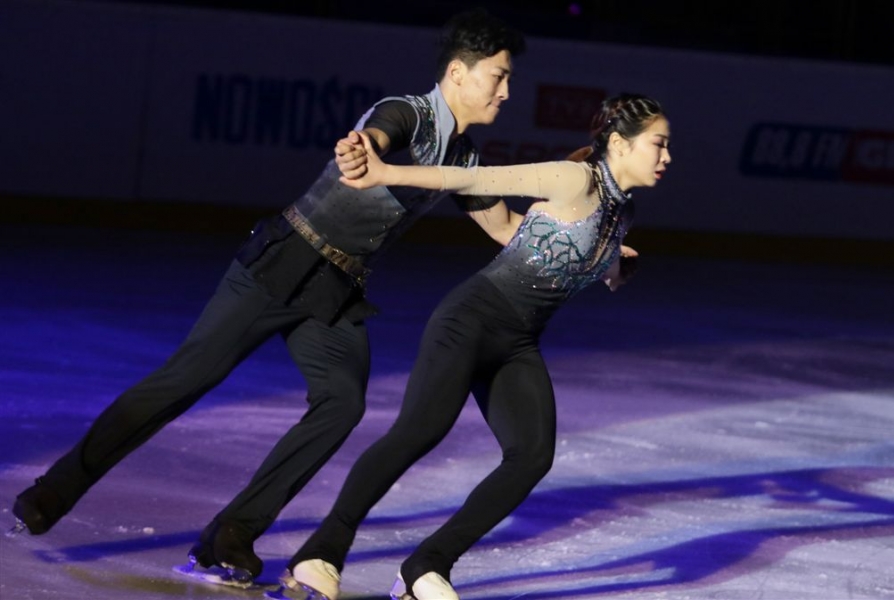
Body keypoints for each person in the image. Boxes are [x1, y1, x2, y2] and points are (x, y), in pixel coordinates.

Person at [10, 8, 525, 586]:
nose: (506, 91)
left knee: (342, 402)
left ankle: (233, 531)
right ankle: (55, 489)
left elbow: (506, 227)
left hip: (336, 291)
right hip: (282, 261)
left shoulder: (463, 159)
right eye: (498, 76)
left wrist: (578, 218)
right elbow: (376, 135)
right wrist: (361, 150)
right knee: (184, 380)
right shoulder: (408, 113)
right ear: (458, 72)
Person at [275, 93, 671, 600]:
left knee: (531, 456)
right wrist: (385, 172)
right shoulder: (575, 179)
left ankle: (425, 566)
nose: (667, 157)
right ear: (619, 143)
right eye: (658, 144)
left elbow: (576, 247)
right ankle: (320, 553)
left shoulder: (623, 211)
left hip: (518, 340)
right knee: (418, 432)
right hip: (470, 320)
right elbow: (472, 180)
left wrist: (613, 267)